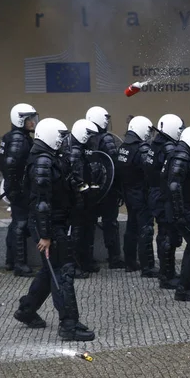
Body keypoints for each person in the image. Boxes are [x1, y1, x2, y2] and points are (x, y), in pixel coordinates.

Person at [14, 117, 95, 341]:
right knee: (63, 273)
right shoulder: (42, 161)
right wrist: (46, 235)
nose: (63, 140)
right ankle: (69, 325)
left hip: (53, 222)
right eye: (60, 136)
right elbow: (41, 203)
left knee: (50, 270)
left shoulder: (50, 158)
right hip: (50, 225)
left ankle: (26, 310)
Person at [163, 126, 190, 301]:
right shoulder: (182, 157)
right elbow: (174, 186)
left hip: (182, 209)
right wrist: (181, 214)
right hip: (181, 210)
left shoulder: (183, 154)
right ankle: (184, 288)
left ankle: (185, 284)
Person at [145, 114, 184, 289]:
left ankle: (166, 272)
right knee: (168, 236)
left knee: (163, 235)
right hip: (163, 195)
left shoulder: (155, 144)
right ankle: (167, 276)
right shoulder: (168, 147)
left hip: (155, 193)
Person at [116, 116, 158, 276]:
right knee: (146, 229)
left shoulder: (123, 147)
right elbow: (149, 171)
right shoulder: (141, 148)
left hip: (129, 193)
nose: (148, 134)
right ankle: (148, 267)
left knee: (131, 228)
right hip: (142, 194)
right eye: (147, 130)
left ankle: (130, 262)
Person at [0, 103, 38, 277]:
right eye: (29, 119)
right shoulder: (18, 139)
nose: (32, 122)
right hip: (20, 189)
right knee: (21, 225)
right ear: (20, 120)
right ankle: (19, 264)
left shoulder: (15, 137)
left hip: (17, 188)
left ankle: (10, 260)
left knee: (16, 223)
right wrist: (15, 189)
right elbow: (11, 165)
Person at [86, 106, 125, 269]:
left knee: (88, 224)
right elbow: (114, 164)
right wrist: (119, 189)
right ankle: (114, 258)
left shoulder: (84, 137)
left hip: (89, 189)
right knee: (110, 223)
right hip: (108, 190)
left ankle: (87, 258)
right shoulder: (107, 139)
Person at [63, 119, 101, 278]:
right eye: (90, 136)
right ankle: (75, 266)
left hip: (83, 199)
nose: (92, 140)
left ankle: (84, 262)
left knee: (85, 231)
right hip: (76, 200)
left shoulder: (79, 149)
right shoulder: (75, 152)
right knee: (77, 234)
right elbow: (74, 177)